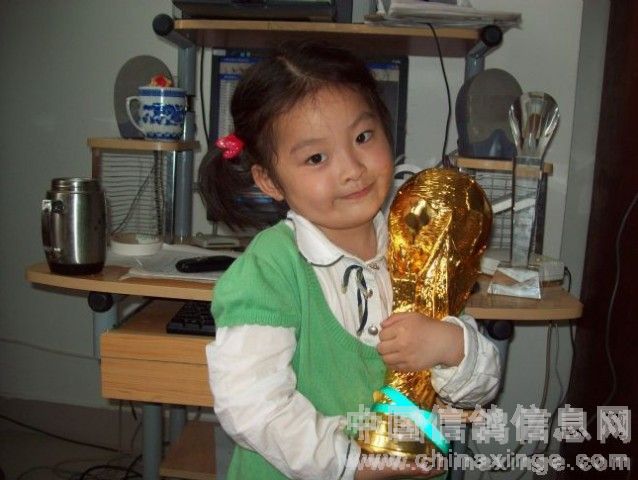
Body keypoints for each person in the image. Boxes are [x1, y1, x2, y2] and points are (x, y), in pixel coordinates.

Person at [200, 41, 501, 480]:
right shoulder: (270, 268)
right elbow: (252, 405)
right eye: (316, 158)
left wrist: (451, 346)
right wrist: (354, 464)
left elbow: (479, 388)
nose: (352, 169)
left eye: (363, 137)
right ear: (269, 180)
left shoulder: (416, 241)